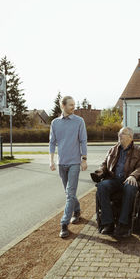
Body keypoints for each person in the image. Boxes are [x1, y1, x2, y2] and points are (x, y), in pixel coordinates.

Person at [94, 127, 140, 237]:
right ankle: (108, 223)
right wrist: (100, 171)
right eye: (119, 133)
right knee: (101, 186)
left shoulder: (139, 151)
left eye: (123, 134)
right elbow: (104, 164)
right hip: (114, 179)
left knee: (130, 187)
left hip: (129, 180)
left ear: (130, 137)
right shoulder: (113, 149)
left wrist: (133, 176)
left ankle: (123, 224)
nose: (119, 135)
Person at [49, 96, 87, 238]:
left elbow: (83, 141)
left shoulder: (79, 121)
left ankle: (64, 224)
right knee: (68, 192)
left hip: (74, 163)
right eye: (71, 105)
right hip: (61, 163)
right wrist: (51, 160)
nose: (74, 107)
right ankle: (76, 210)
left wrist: (84, 159)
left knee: (70, 193)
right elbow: (52, 142)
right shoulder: (55, 123)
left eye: (74, 104)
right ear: (63, 106)